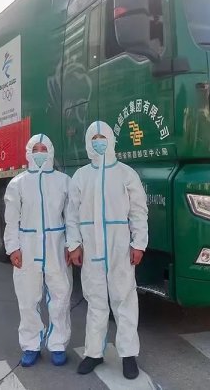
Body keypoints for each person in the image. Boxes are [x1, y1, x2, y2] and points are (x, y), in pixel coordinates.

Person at [66, 121, 148, 380]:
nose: (99, 142)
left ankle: (128, 355)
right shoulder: (81, 176)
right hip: (91, 248)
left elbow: (138, 211)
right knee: (96, 300)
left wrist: (138, 244)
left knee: (124, 299)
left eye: (103, 137)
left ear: (111, 140)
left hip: (119, 247)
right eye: (94, 138)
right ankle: (93, 352)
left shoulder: (125, 174)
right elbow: (71, 214)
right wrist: (74, 245)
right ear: (88, 142)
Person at [4, 134, 72, 367]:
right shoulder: (18, 183)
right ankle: (31, 344)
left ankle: (58, 344)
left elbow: (71, 217)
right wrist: (13, 247)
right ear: (29, 152)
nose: (40, 153)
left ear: (51, 151)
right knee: (27, 298)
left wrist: (71, 244)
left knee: (60, 296)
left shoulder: (64, 182)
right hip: (28, 246)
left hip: (56, 245)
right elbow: (11, 220)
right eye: (36, 149)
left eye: (44, 148)